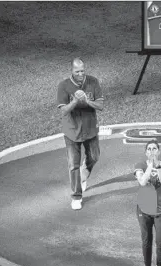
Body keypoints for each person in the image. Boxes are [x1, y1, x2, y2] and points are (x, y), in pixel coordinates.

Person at [57, 57, 104, 210]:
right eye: (77, 71)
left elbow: (100, 105)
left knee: (95, 156)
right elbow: (63, 111)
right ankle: (76, 196)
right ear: (71, 71)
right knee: (73, 165)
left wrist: (87, 101)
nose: (80, 74)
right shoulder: (63, 86)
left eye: (82, 71)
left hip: (90, 129)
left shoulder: (93, 82)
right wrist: (75, 101)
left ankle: (84, 174)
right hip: (72, 132)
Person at [134, 139, 161, 266]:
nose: (152, 151)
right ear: (145, 152)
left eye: (154, 149)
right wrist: (150, 167)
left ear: (159, 151)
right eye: (149, 149)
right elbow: (142, 182)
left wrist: (158, 167)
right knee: (147, 240)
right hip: (144, 209)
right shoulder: (140, 165)